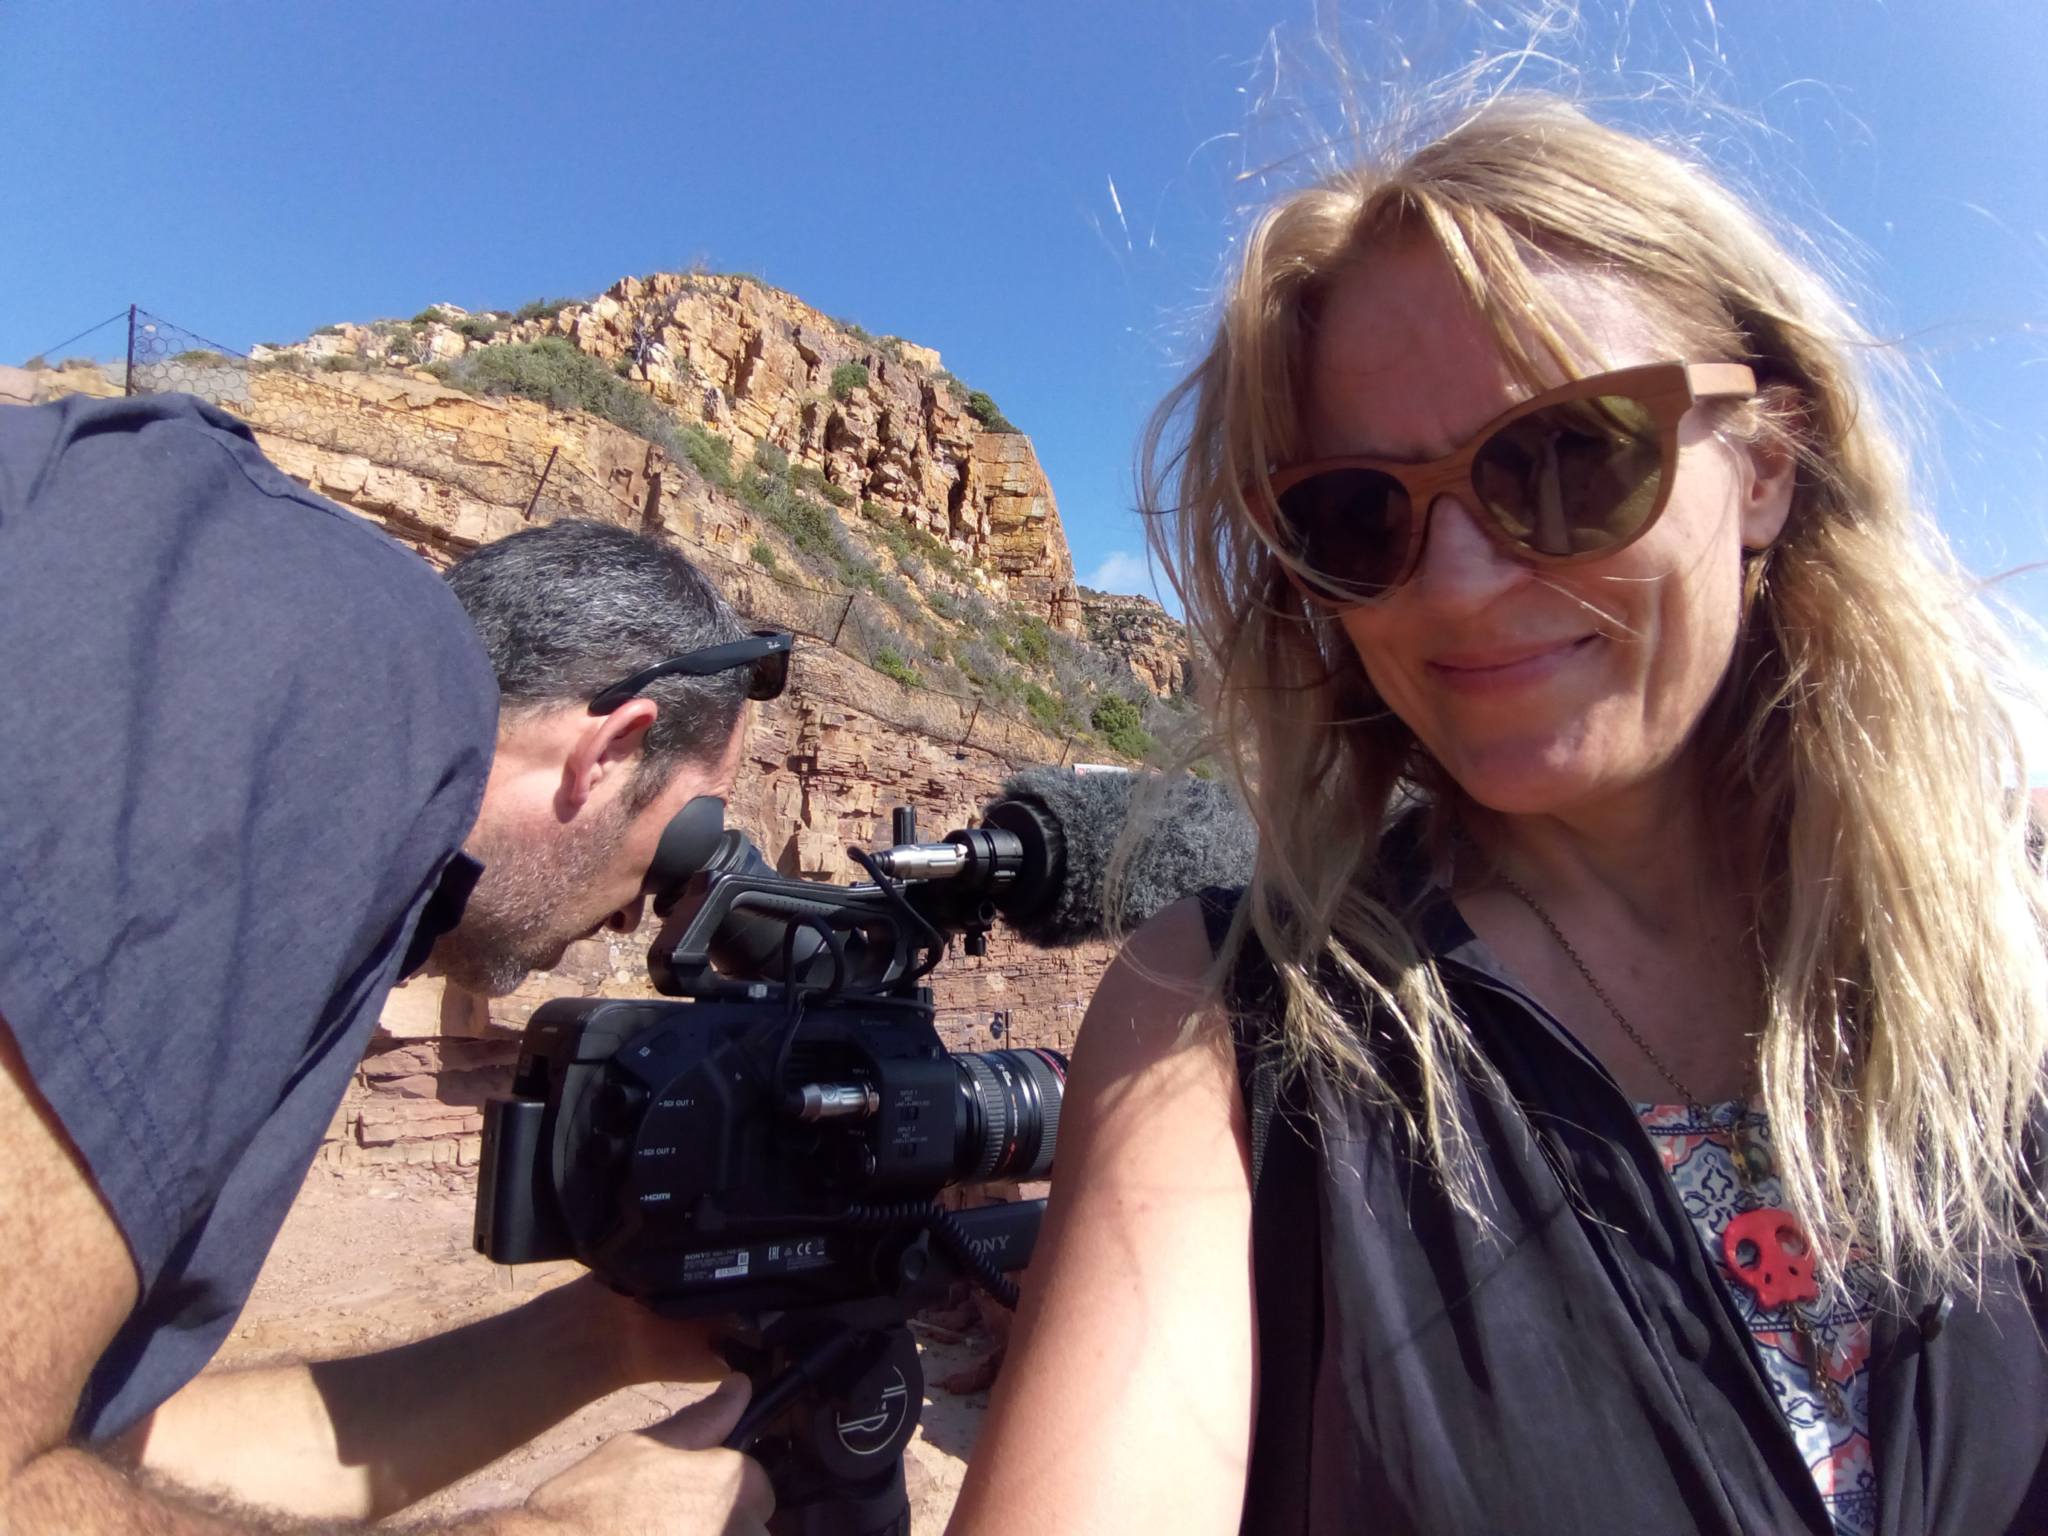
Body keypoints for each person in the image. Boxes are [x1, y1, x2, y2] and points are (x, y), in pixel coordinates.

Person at [949, 96, 2048, 1536]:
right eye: (1358, 514)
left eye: (1567, 459)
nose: (1456, 585)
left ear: (1764, 466)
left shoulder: (2003, 948)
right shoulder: (1225, 1025)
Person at [0, 392, 783, 1533]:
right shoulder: (354, 669)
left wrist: (603, 1335)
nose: (639, 919)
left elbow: (92, 1452)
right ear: (611, 749)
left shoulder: (301, 699)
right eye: (685, 836)